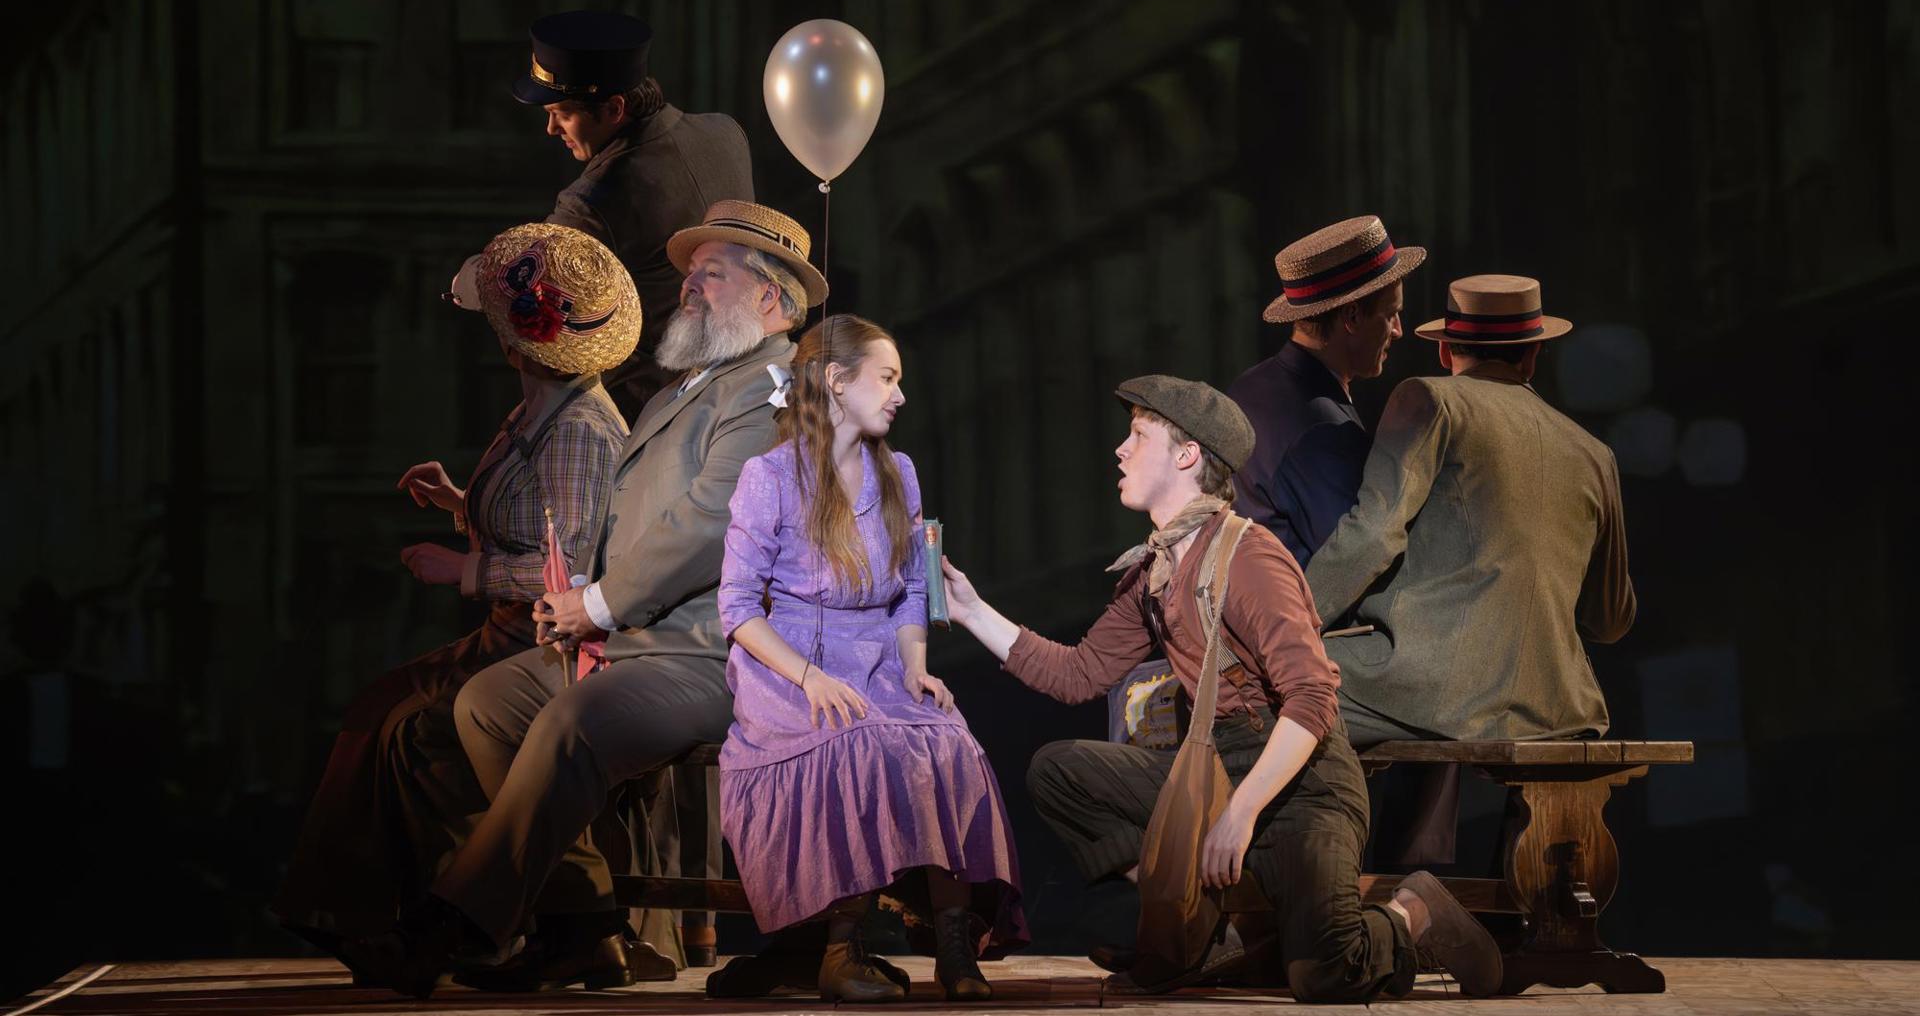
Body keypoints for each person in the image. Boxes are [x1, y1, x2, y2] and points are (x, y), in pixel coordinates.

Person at [345, 201, 817, 998]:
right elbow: (621, 515)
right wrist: (496, 532)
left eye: (712, 274)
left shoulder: (774, 392)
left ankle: (448, 924)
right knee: (490, 700)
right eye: (690, 273)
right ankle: (580, 927)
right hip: (639, 644)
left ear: (772, 300)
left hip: (723, 655)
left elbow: (708, 525)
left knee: (574, 717)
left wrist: (598, 603)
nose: (690, 288)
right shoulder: (690, 387)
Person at [940, 375, 1502, 1001]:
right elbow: (1080, 674)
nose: (1121, 451)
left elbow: (1312, 698)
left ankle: (1412, 910)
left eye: (1138, 436)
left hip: (1300, 780)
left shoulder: (1248, 556)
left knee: (1326, 973)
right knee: (1059, 771)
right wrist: (970, 611)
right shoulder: (1152, 573)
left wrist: (1240, 813)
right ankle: (1205, 920)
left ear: (1187, 456)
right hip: (1214, 765)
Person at [274, 224, 633, 967]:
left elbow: (572, 570)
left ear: (520, 340)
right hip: (510, 630)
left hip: (547, 638)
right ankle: (373, 915)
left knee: (415, 729)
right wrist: (461, 504)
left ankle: (487, 918)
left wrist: (463, 571)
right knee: (381, 709)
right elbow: (538, 521)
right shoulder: (538, 408)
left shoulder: (575, 428)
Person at [716, 314, 1027, 1003]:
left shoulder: (899, 474)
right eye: (886, 378)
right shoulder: (769, 476)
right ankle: (839, 950)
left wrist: (916, 666)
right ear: (835, 380)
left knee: (947, 741)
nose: (899, 395)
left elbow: (915, 586)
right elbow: (738, 608)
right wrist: (809, 675)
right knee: (847, 741)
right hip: (789, 657)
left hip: (880, 650)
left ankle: (953, 944)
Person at [1307, 273, 1636, 746]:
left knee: (1266, 687)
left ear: (1445, 350)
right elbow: (1611, 620)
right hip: (1562, 709)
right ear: (1533, 354)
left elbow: (1373, 534)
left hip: (1433, 695)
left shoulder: (1430, 399)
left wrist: (1285, 624)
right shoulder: (1594, 453)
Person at [450, 10, 754, 410]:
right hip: (744, 389)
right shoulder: (725, 131)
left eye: (563, 114)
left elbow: (516, 295)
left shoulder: (594, 199)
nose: (552, 129)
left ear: (613, 108)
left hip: (647, 414)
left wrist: (468, 282)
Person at [1229, 215, 1422, 568]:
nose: (1398, 330)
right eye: (1390, 314)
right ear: (1351, 317)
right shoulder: (1322, 430)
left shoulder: (1248, 387)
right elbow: (1359, 561)